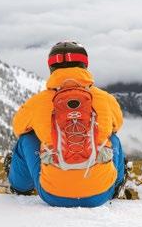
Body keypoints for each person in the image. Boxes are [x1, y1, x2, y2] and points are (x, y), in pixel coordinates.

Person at [7, 41, 125, 207]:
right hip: (101, 194)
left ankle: (20, 186)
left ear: (52, 69)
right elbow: (117, 125)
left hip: (53, 195)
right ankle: (118, 182)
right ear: (85, 65)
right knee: (112, 136)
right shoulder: (105, 99)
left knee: (26, 138)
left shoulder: (38, 102)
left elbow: (18, 128)